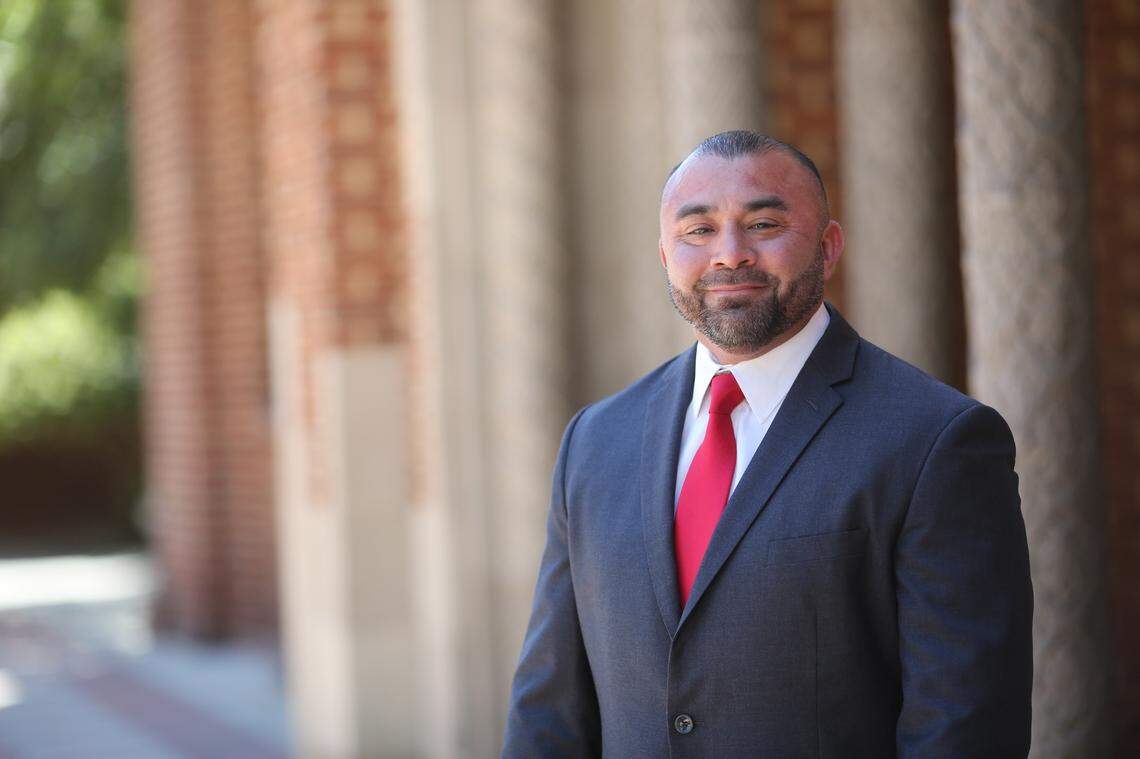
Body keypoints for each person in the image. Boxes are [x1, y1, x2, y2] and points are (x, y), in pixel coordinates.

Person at [502, 131, 1032, 758]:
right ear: (664, 256)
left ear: (828, 247)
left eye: (763, 223)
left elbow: (964, 726)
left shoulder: (936, 441)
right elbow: (549, 711)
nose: (730, 255)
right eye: (697, 231)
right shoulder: (595, 440)